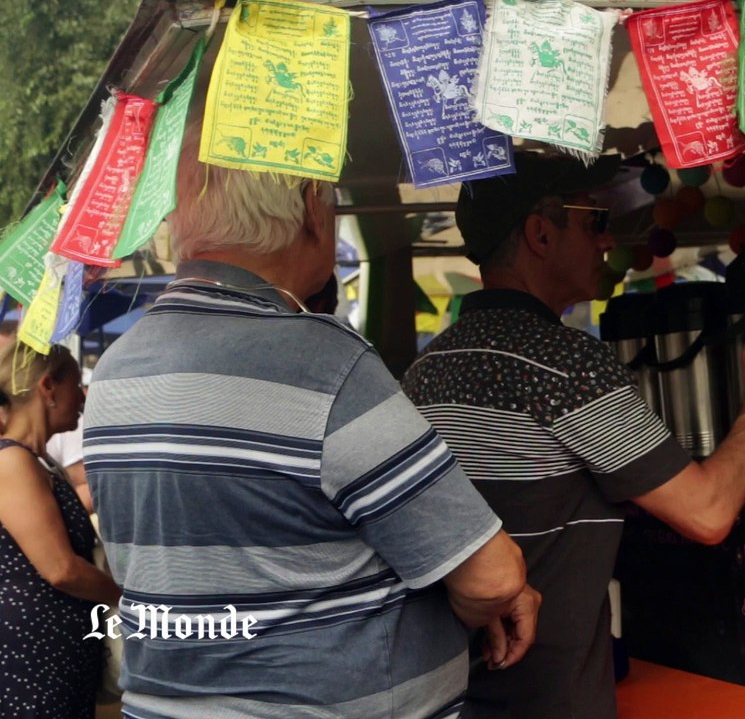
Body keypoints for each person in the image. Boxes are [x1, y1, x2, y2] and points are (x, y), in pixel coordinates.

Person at [83, 113, 541, 719]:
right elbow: (493, 578)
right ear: (309, 206)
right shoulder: (322, 361)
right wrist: (469, 604)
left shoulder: (116, 369)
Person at [400, 151, 745, 718]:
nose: (607, 241)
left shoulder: (426, 368)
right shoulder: (559, 362)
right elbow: (708, 511)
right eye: (595, 220)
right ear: (541, 233)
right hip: (547, 702)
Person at [0, 342, 120, 718]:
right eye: (76, 385)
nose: (82, 397)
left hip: (54, 654)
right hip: (34, 658)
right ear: (48, 387)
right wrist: (125, 597)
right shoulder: (13, 461)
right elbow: (61, 569)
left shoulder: (37, 460)